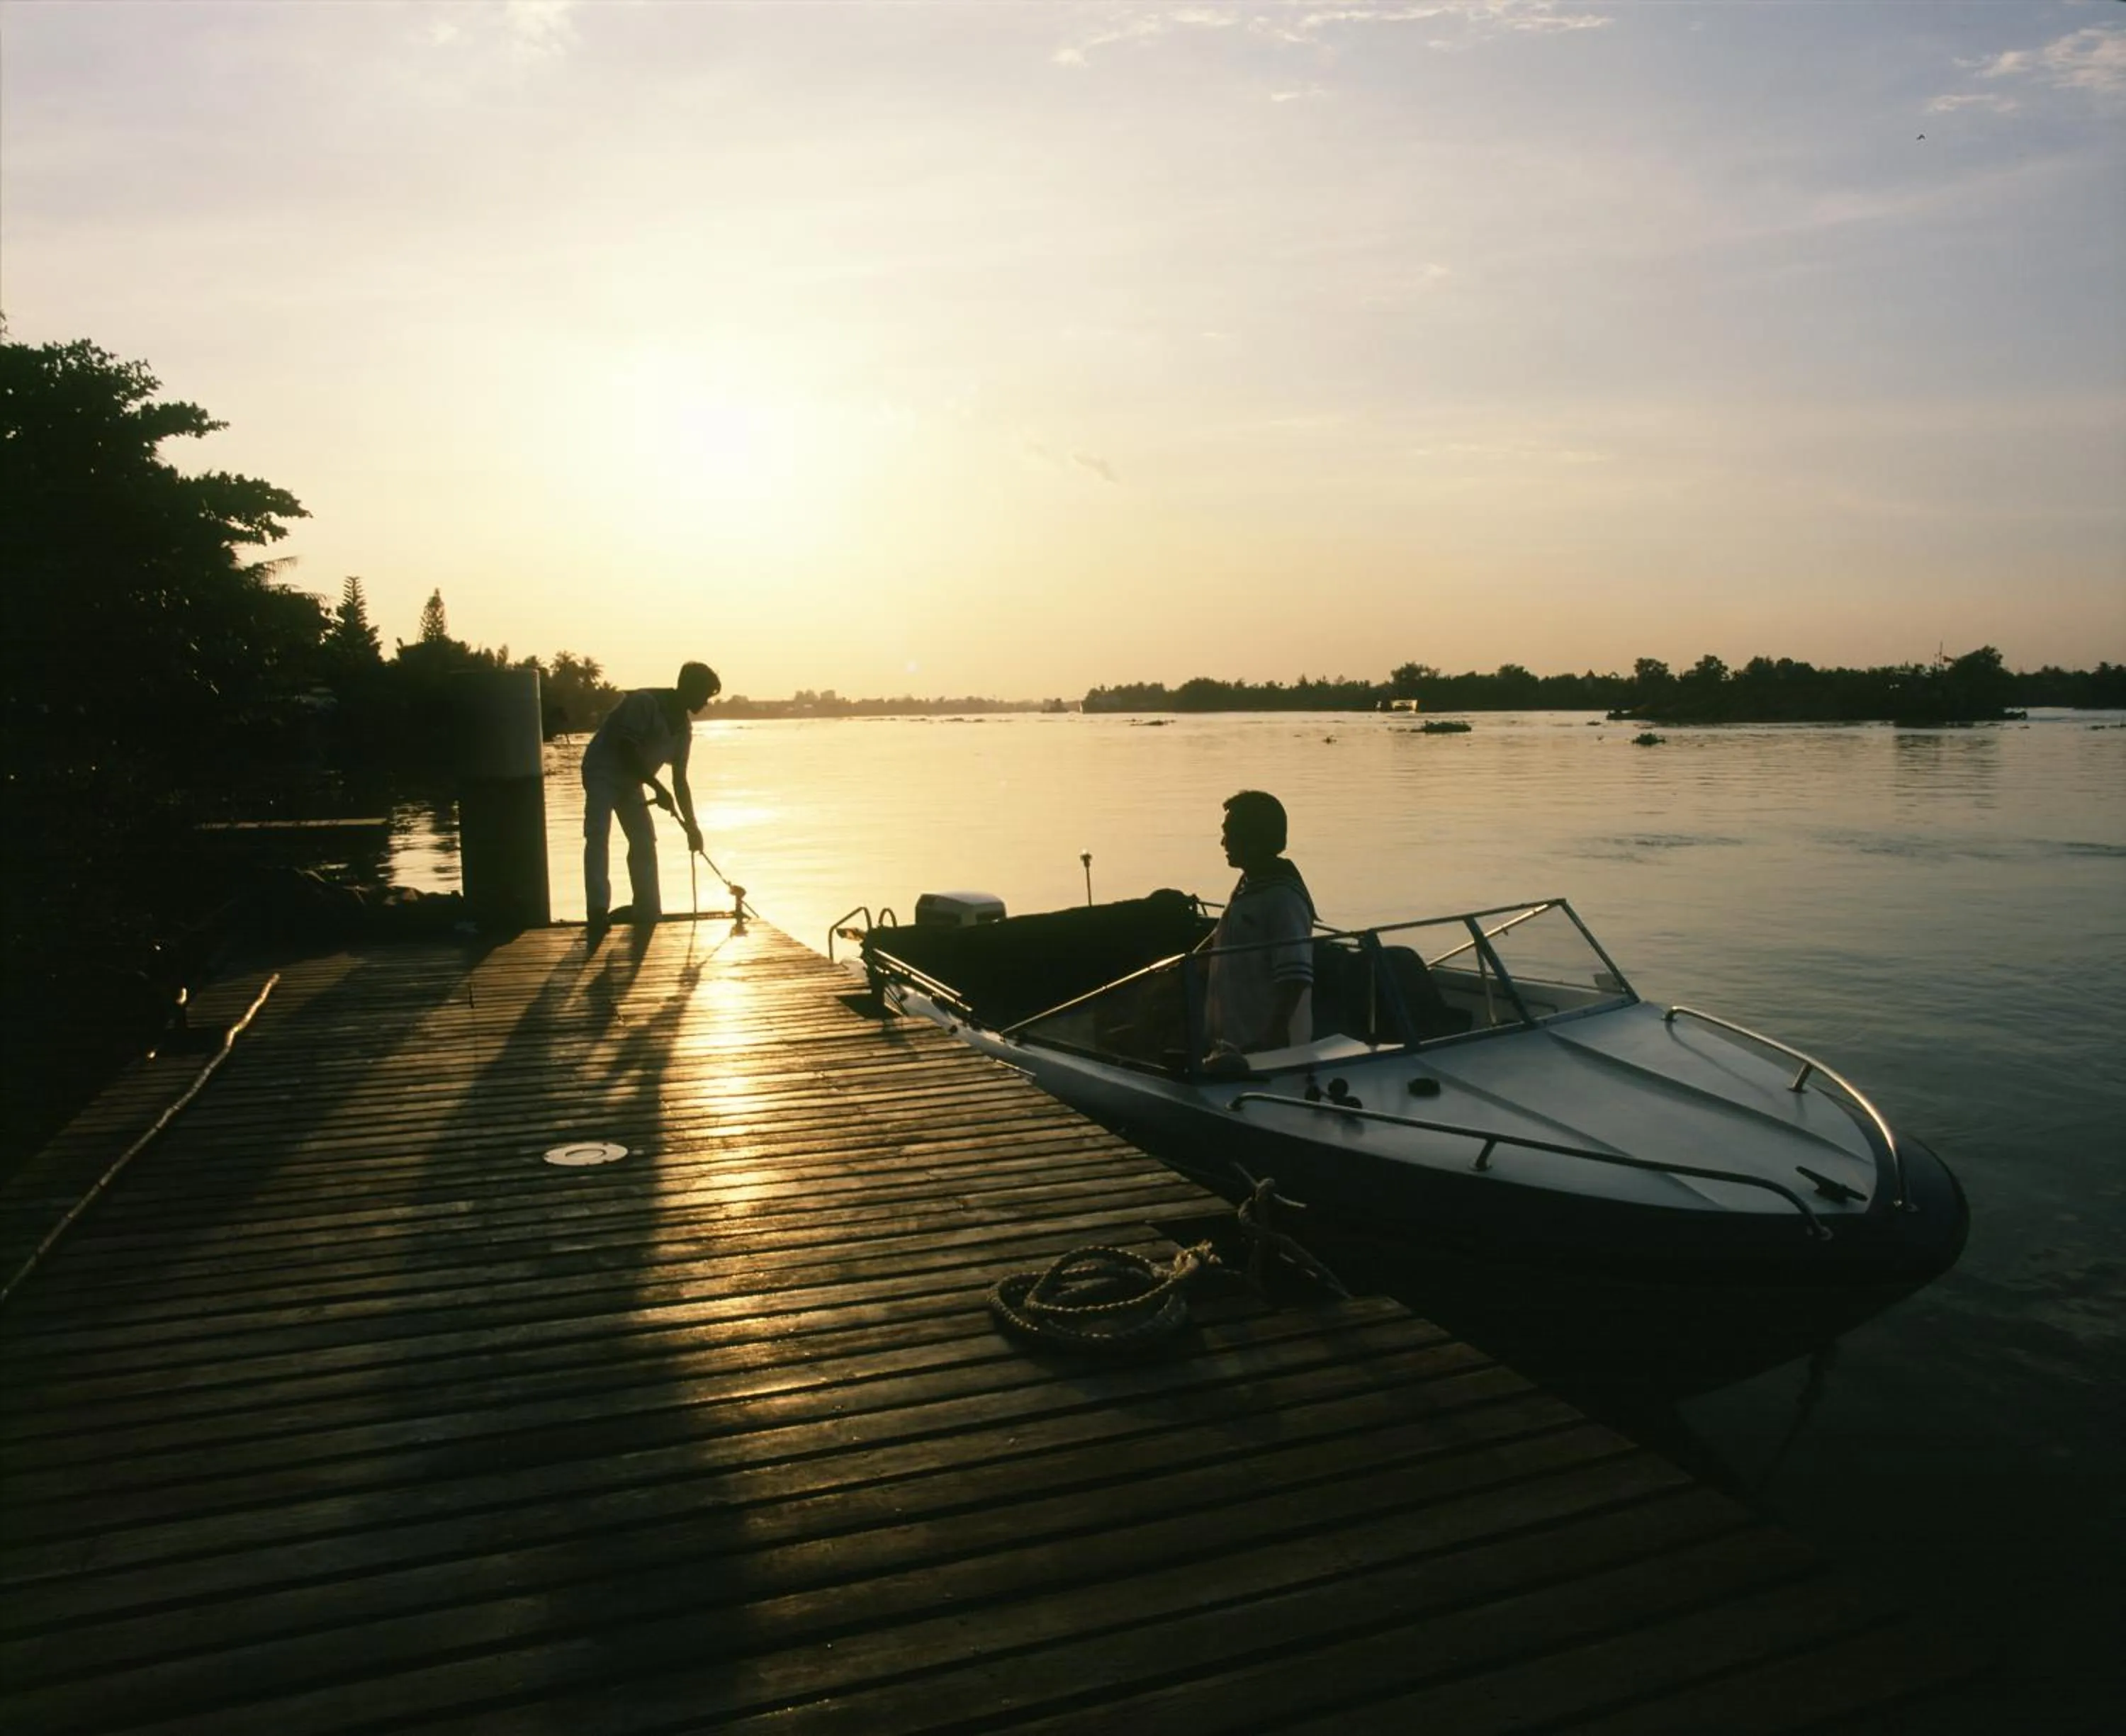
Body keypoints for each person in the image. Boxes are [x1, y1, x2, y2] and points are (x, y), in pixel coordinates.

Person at [581, 660, 720, 929]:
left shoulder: (683, 730)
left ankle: (647, 910)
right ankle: (597, 910)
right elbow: (626, 749)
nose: (706, 702)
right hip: (602, 771)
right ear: (689, 689)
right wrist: (657, 787)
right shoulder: (644, 703)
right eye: (704, 694)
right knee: (597, 834)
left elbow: (680, 781)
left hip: (633, 781)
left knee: (644, 839)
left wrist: (693, 826)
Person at [1201, 789, 1316, 1054]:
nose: (1223, 842)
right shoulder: (1248, 885)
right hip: (1233, 1048)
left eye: (1229, 833)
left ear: (1254, 838)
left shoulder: (1282, 898)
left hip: (1271, 1055)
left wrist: (1273, 1035)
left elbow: (1295, 978)